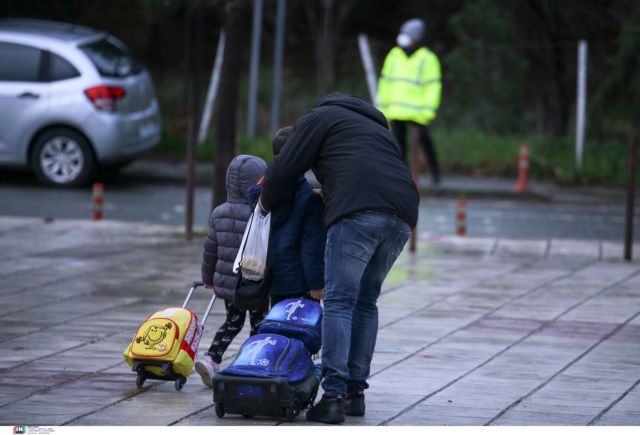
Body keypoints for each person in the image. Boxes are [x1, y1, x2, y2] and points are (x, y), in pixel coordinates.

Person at [258, 93, 419, 424]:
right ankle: (354, 394)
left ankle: (333, 396)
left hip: (357, 214)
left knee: (341, 302)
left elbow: (286, 166)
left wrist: (264, 205)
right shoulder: (375, 128)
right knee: (365, 301)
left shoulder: (318, 118)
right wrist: (331, 192)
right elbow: (367, 171)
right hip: (402, 214)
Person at [195, 154, 268, 388]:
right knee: (259, 323)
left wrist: (208, 279)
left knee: (232, 322)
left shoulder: (219, 212)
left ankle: (212, 358)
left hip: (229, 284)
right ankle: (250, 362)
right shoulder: (259, 212)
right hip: (254, 280)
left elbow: (210, 250)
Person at [247, 126, 326, 306]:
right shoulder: (309, 198)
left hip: (270, 277)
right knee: (300, 328)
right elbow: (311, 245)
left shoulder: (260, 195)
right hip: (299, 281)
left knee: (276, 324)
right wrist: (317, 283)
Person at [377, 18, 443, 184]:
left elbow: (432, 87)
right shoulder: (394, 56)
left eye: (407, 34)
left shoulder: (427, 58)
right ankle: (402, 176)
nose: (402, 37)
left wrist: (428, 110)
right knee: (399, 146)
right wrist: (382, 107)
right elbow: (385, 82)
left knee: (426, 143)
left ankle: (436, 174)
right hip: (396, 111)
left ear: (416, 37)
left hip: (418, 113)